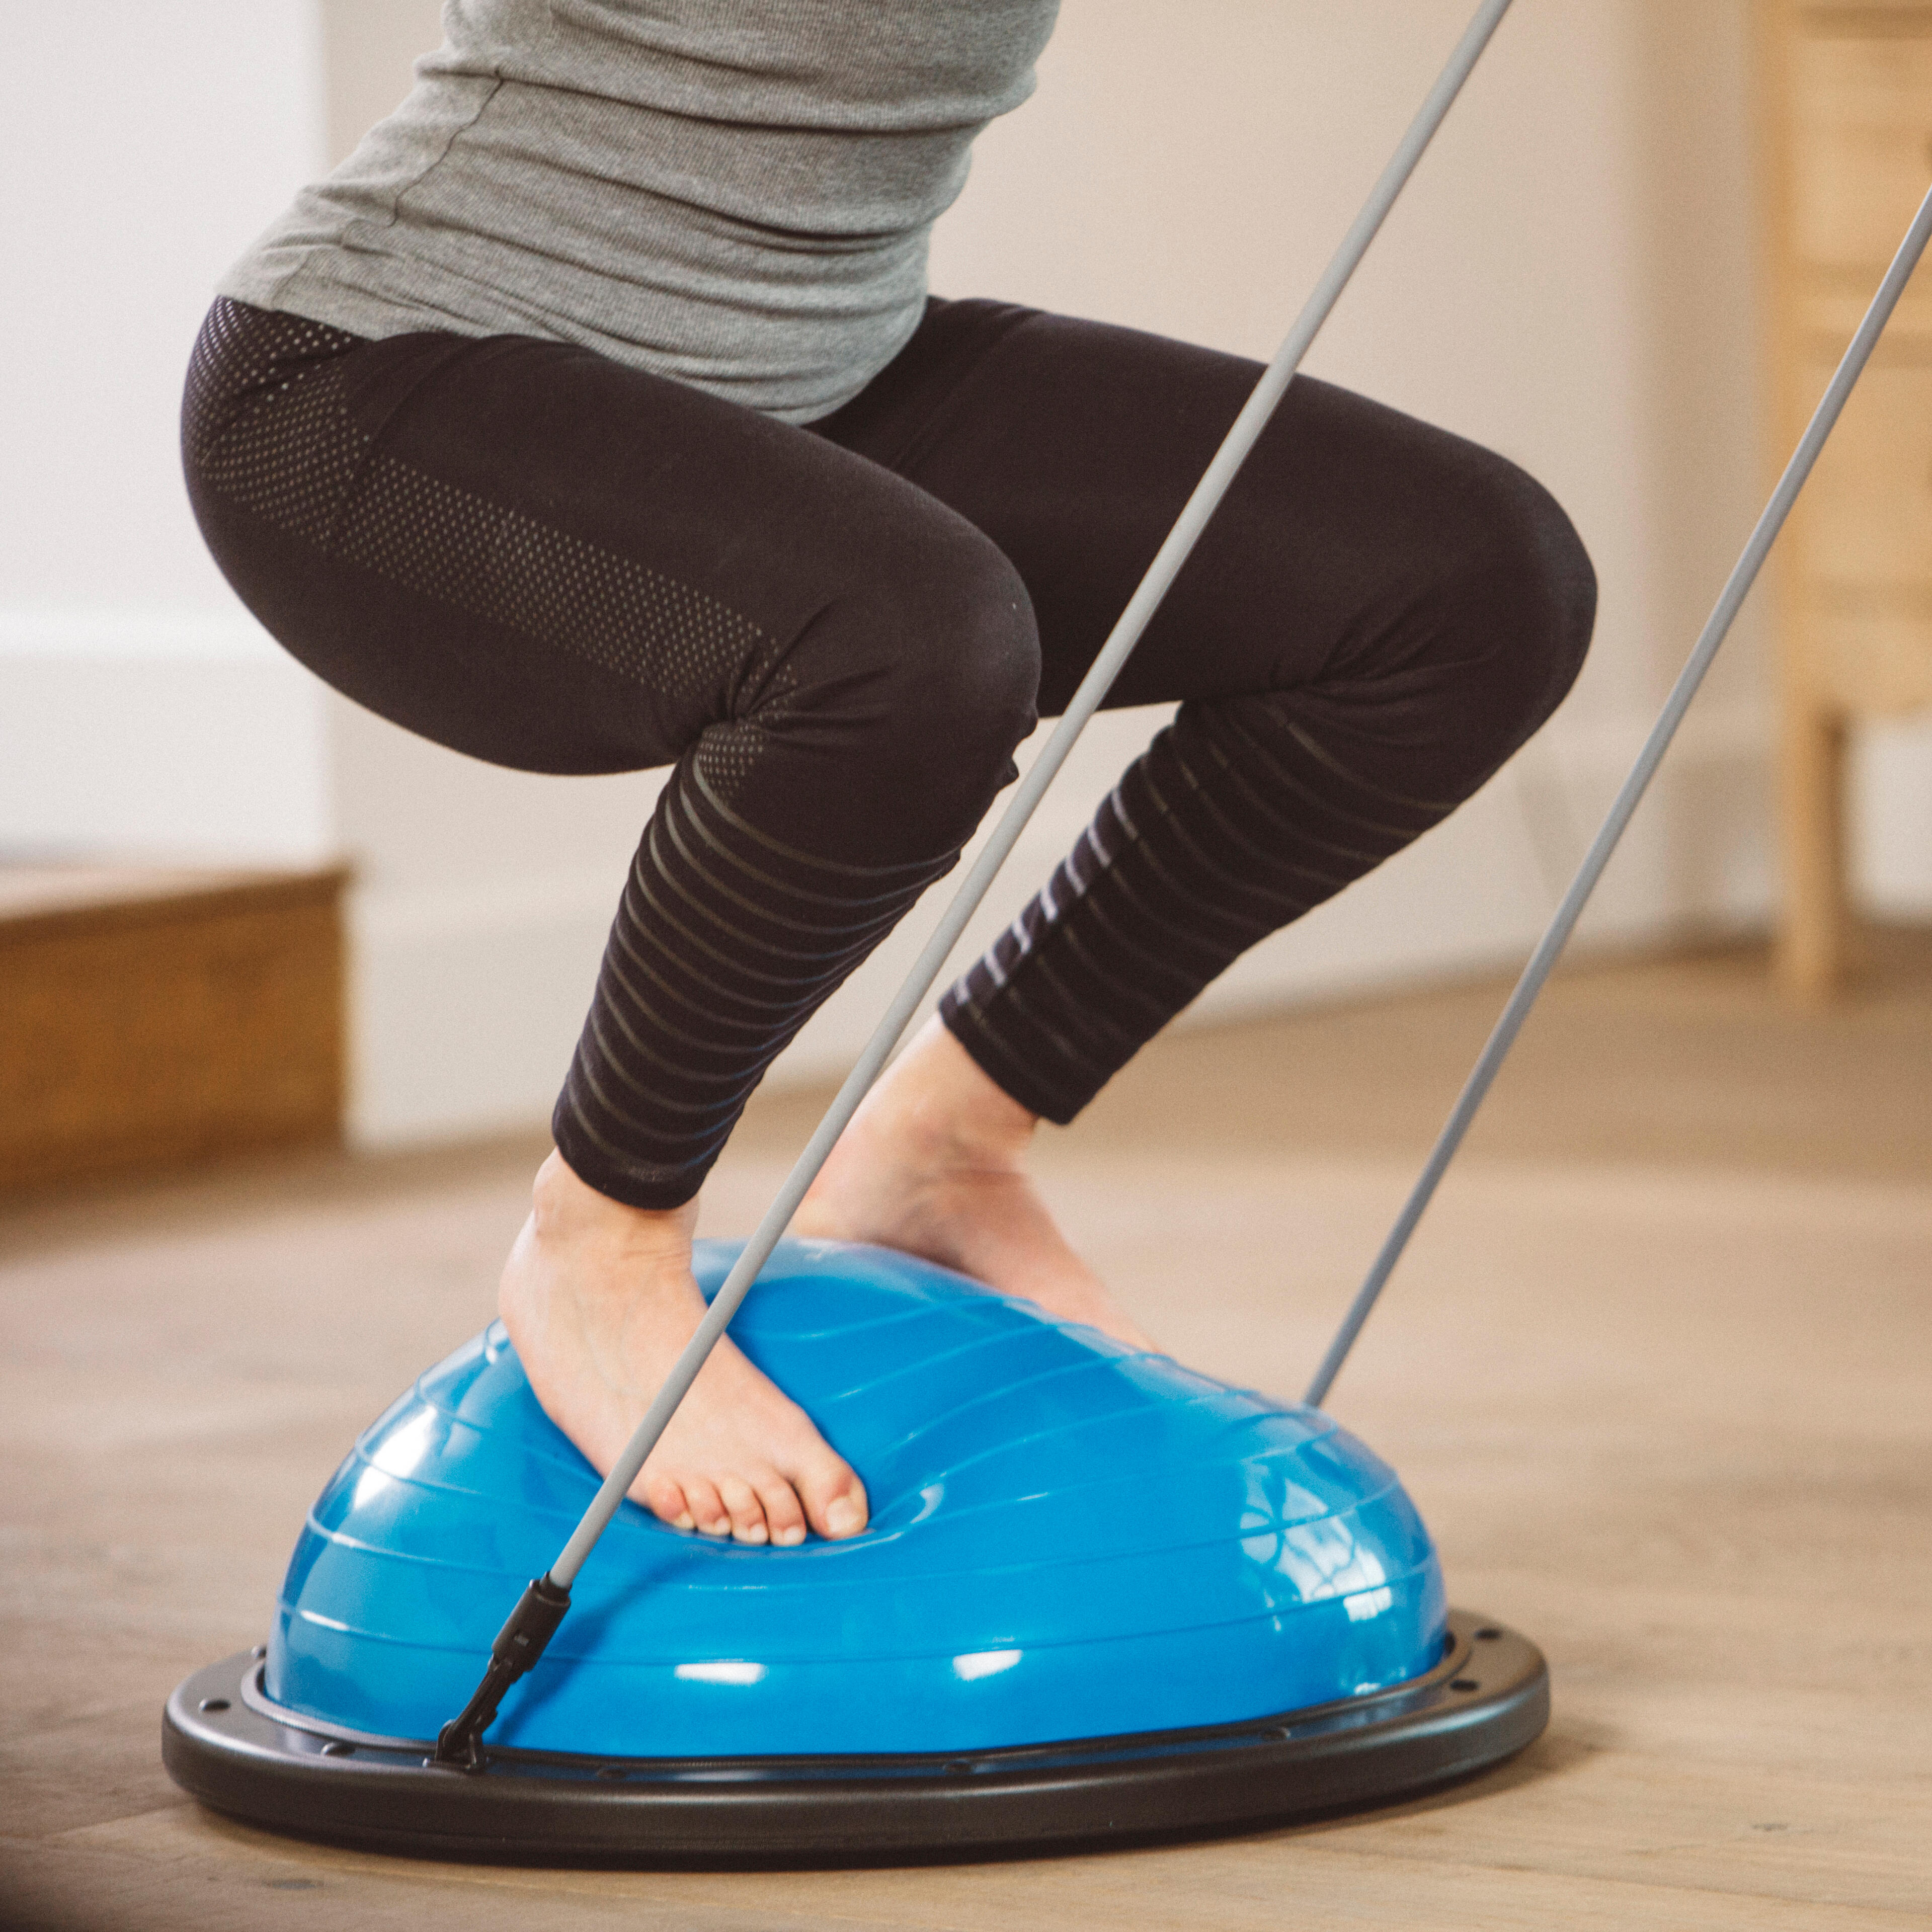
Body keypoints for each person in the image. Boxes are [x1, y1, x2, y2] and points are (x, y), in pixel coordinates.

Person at [183, 2, 1594, 1553]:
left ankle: (941, 1144)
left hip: (819, 376)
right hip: (374, 398)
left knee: (1473, 589)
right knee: (913, 648)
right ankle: (596, 1244)